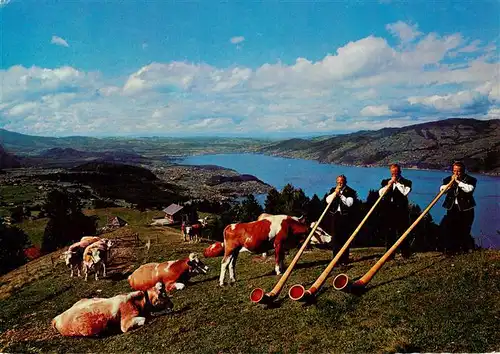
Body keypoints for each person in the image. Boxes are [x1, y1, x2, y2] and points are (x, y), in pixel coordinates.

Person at [439, 162, 477, 255]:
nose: (456, 173)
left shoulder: (471, 179)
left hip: (466, 209)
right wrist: (449, 184)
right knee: (450, 228)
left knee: (464, 229)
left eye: (459, 171)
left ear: (463, 171)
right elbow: (442, 190)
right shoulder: (448, 179)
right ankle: (451, 249)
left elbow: (469, 189)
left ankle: (465, 249)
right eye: (454, 171)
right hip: (452, 208)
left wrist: (458, 182)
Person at [378, 164, 412, 259]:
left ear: (400, 172)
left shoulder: (407, 182)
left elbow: (405, 192)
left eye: (396, 172)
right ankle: (389, 254)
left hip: (401, 211)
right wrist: (389, 185)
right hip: (389, 211)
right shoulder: (385, 182)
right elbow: (381, 193)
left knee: (403, 232)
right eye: (393, 172)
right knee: (389, 233)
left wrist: (397, 183)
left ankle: (405, 253)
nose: (394, 174)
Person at [322, 175, 358, 265]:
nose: (339, 183)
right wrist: (335, 193)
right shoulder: (333, 190)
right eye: (338, 182)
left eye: (341, 182)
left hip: (345, 217)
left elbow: (349, 203)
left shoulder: (350, 191)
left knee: (344, 238)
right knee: (335, 238)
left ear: (345, 182)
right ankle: (335, 259)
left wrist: (341, 195)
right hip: (335, 216)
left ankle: (344, 259)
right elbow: (327, 200)